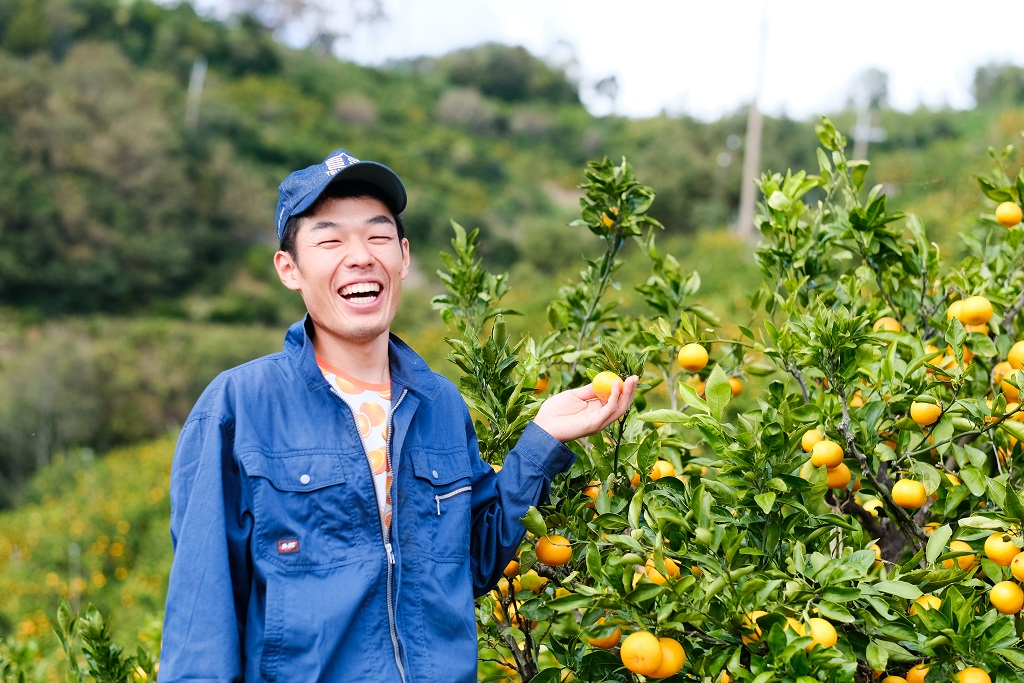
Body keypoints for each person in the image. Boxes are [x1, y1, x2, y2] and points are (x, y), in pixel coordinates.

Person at [158, 148, 638, 682]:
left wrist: (543, 438)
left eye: (377, 235)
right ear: (289, 269)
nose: (360, 255)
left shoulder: (438, 403)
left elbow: (470, 562)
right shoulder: (239, 407)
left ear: (404, 257)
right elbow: (202, 617)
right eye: (330, 239)